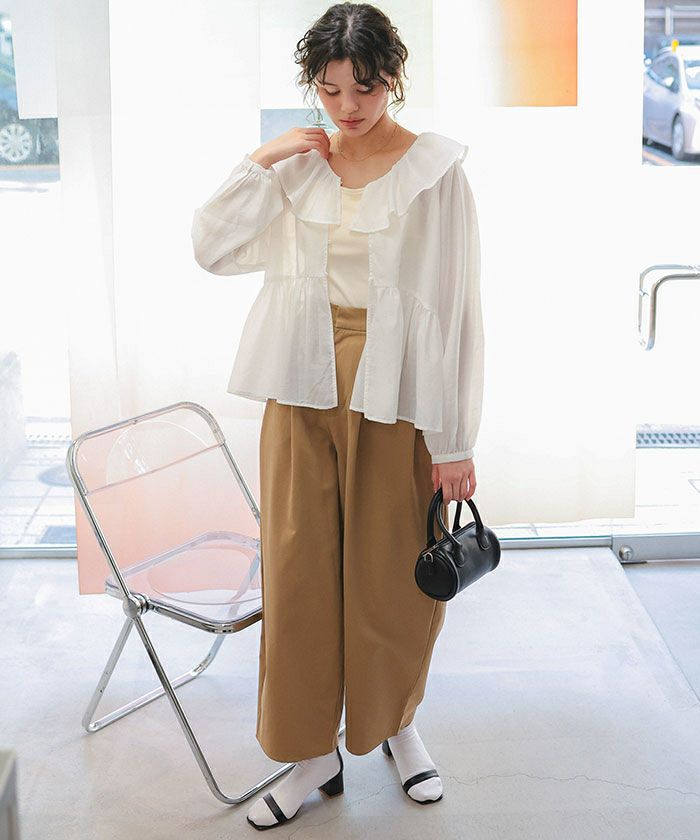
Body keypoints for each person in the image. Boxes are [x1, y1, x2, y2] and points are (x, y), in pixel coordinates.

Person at [191, 2, 485, 829]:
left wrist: (455, 439)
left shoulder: (435, 172)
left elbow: (457, 309)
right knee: (298, 574)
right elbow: (212, 249)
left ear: (393, 79)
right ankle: (310, 753)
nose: (347, 107)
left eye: (364, 88)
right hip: (300, 383)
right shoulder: (298, 166)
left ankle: (396, 725)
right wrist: (264, 158)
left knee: (391, 574)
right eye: (328, 90)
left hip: (395, 392)